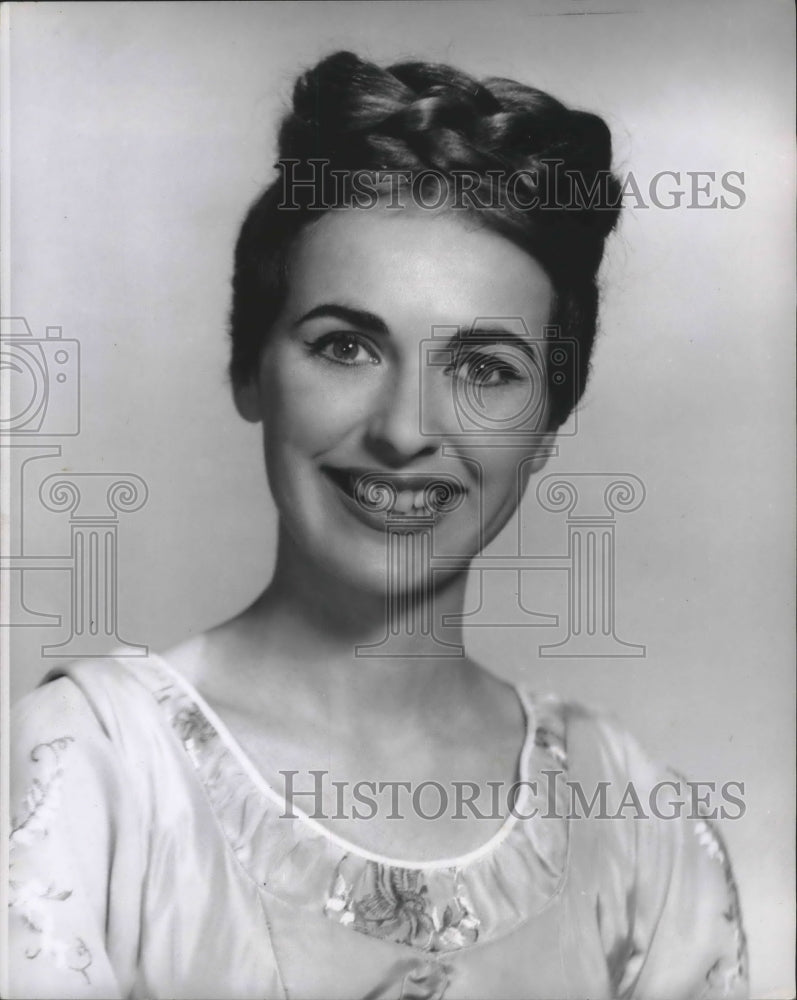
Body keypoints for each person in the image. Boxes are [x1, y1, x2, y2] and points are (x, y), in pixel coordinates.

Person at [8, 51, 747, 999]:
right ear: (249, 369)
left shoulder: (641, 828)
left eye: (484, 369)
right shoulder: (93, 768)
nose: (404, 431)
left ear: (547, 421)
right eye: (346, 346)